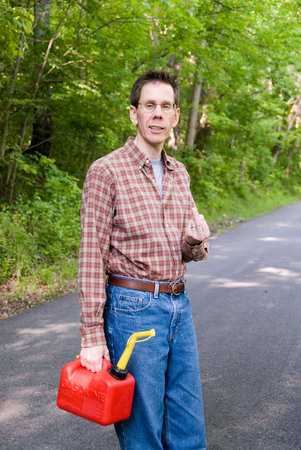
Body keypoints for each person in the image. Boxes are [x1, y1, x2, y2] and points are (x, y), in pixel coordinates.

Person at [78, 70, 210, 449]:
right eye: (148, 105)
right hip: (132, 310)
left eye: (165, 106)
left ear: (175, 117)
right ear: (133, 114)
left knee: (188, 425)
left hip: (178, 306)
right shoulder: (106, 171)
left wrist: (194, 242)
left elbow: (190, 251)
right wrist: (91, 336)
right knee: (143, 430)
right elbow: (91, 257)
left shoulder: (179, 173)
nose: (157, 114)